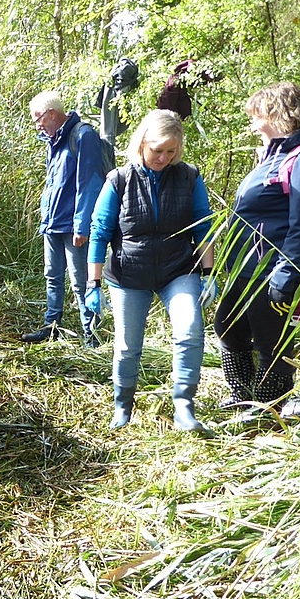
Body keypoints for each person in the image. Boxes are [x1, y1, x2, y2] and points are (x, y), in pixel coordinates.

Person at [214, 82, 300, 408]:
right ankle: (243, 399)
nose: (253, 124)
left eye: (257, 116)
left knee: (272, 344)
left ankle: (270, 411)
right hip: (249, 266)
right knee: (228, 326)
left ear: (278, 114)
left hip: (273, 269)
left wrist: (287, 275)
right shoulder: (281, 153)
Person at [87, 109, 215, 431]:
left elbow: (204, 226)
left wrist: (209, 273)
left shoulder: (188, 177)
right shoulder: (118, 180)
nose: (163, 158)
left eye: (171, 151)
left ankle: (184, 408)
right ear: (142, 143)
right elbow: (100, 230)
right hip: (129, 273)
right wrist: (93, 284)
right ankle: (122, 406)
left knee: (189, 331)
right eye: (157, 150)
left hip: (178, 269)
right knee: (128, 345)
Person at [23, 91, 105, 346]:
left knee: (81, 282)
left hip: (72, 226)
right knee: (53, 277)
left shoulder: (83, 135)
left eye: (39, 119)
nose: (37, 125)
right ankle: (52, 327)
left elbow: (89, 183)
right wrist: (45, 218)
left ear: (52, 114)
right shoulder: (53, 140)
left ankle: (92, 336)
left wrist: (82, 225)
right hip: (53, 222)